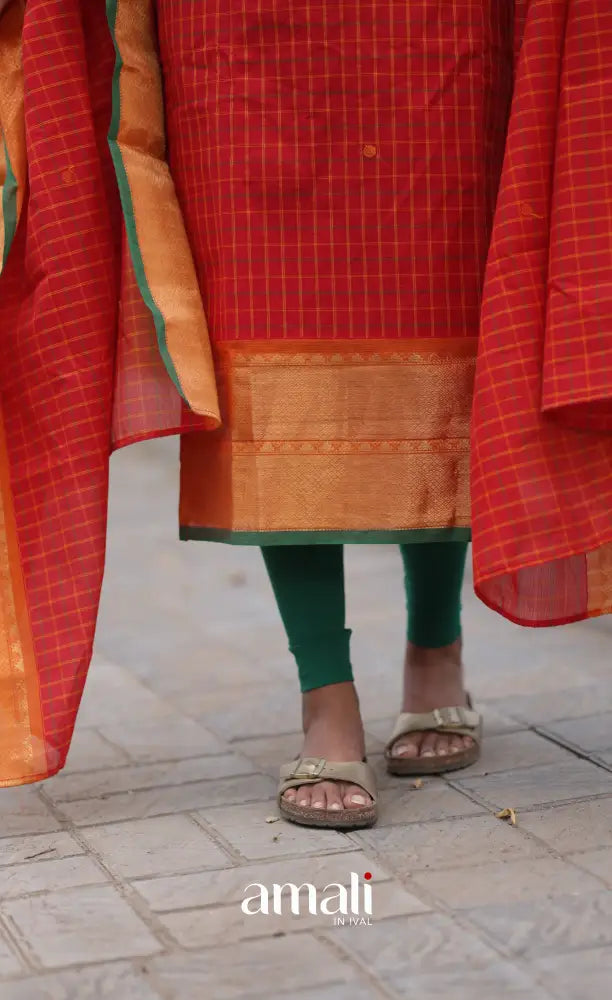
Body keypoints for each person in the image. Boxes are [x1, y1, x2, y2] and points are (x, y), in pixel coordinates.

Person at [1, 1, 611, 830]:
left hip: (433, 26)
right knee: (270, 340)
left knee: (450, 312)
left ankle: (436, 650)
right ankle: (326, 695)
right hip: (246, 33)